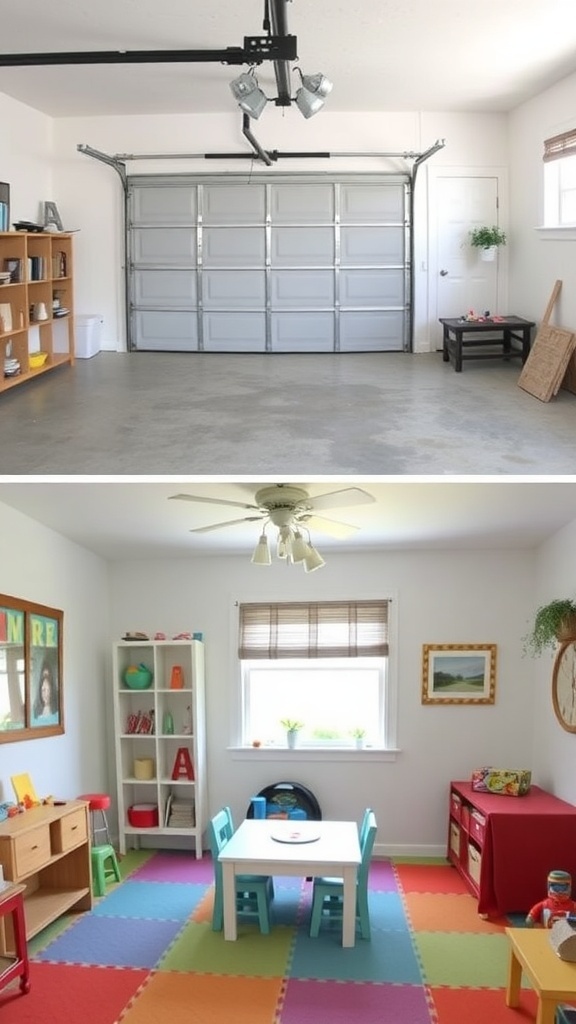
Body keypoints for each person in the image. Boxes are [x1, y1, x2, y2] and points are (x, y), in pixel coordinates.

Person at [32, 657, 59, 725]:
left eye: (48, 690)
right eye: (43, 690)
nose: (46, 694)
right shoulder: (34, 711)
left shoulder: (58, 712)